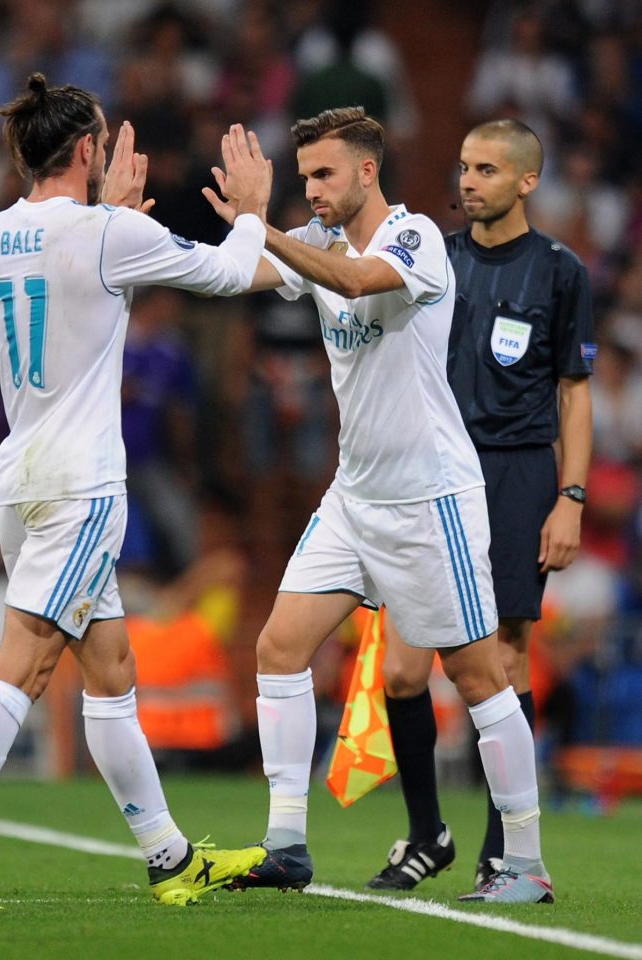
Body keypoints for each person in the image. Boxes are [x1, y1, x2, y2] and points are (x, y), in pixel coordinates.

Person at [0, 72, 272, 911]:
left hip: (20, 476)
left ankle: (170, 859)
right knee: (23, 666)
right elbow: (230, 273)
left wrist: (120, 222)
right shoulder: (105, 234)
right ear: (91, 151)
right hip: (81, 485)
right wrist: (250, 206)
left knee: (111, 671)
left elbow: (79, 289)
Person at [203, 106, 554, 904]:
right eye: (303, 179)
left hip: (428, 501)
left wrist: (262, 224)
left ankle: (524, 864)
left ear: (367, 170)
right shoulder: (317, 242)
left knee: (479, 676)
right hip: (354, 497)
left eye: (323, 175)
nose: (312, 192)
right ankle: (286, 844)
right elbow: (235, 273)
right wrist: (117, 240)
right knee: (278, 648)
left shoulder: (417, 237)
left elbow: (359, 283)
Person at [367, 119, 593, 895]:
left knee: (502, 655)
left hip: (513, 472)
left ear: (526, 181)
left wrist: (569, 497)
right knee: (401, 670)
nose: (467, 182)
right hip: (428, 473)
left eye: (486, 170)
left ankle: (506, 853)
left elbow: (573, 392)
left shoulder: (559, 271)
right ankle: (427, 832)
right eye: (463, 167)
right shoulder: (440, 260)